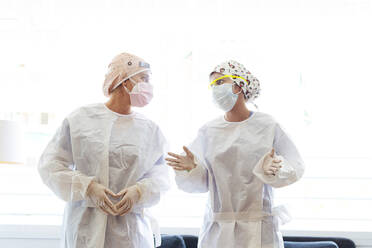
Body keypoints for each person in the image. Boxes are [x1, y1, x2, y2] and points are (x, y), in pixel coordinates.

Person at [166, 60, 305, 248]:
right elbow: (203, 183)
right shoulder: (209, 131)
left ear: (239, 86)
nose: (214, 89)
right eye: (212, 85)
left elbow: (296, 166)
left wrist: (275, 169)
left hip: (258, 230)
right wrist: (193, 169)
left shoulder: (267, 125)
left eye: (219, 83)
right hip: (218, 230)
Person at [38, 52, 170, 248]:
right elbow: (50, 166)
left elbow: (162, 175)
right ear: (123, 79)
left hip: (130, 231)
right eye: (144, 78)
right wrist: (88, 187)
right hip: (85, 228)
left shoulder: (150, 130)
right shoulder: (81, 119)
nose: (149, 86)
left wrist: (139, 191)